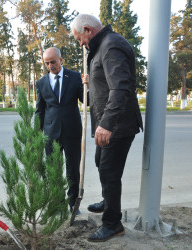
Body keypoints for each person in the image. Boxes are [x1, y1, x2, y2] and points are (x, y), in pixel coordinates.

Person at [71, 14, 143, 242]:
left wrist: (107, 124)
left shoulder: (111, 46)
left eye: (79, 38)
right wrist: (90, 82)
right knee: (100, 164)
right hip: (109, 123)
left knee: (110, 173)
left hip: (117, 125)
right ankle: (107, 200)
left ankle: (113, 223)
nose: (80, 43)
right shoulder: (102, 47)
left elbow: (120, 88)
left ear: (87, 30)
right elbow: (105, 87)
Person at [35, 47, 85, 214]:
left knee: (72, 169)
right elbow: (40, 111)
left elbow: (87, 101)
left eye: (53, 62)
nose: (50, 66)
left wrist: (88, 86)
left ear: (61, 60)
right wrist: (38, 134)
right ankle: (57, 203)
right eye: (47, 63)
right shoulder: (41, 83)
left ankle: (73, 203)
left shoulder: (76, 77)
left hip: (72, 131)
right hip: (50, 133)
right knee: (53, 170)